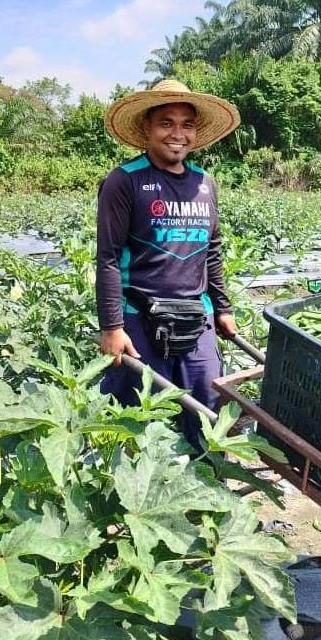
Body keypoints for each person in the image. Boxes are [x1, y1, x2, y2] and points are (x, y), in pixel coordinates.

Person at [95, 79, 241, 450]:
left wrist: (222, 308)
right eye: (166, 123)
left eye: (186, 124)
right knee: (138, 417)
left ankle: (206, 494)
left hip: (197, 315)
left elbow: (212, 249)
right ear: (147, 128)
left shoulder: (204, 183)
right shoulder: (124, 181)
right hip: (139, 318)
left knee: (208, 410)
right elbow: (108, 256)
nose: (178, 134)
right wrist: (112, 326)